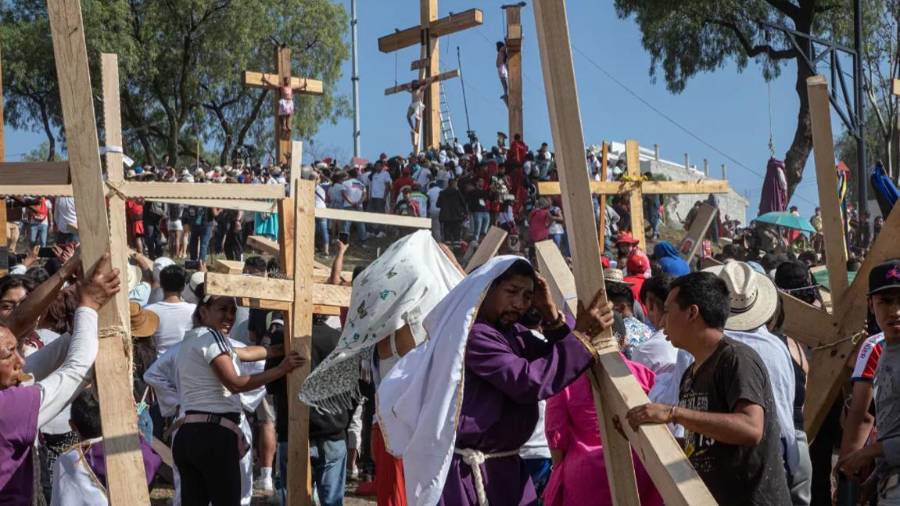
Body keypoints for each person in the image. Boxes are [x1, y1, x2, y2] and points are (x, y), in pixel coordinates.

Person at [377, 257, 616, 505]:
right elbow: (529, 381)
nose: (519, 304)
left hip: (506, 470)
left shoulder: (513, 334)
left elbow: (552, 356)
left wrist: (551, 315)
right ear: (486, 289)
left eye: (527, 296)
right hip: (470, 475)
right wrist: (582, 335)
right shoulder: (474, 335)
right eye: (511, 291)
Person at [626, 272, 792, 505]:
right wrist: (641, 434)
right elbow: (701, 448)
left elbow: (751, 428)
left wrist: (673, 413)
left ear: (692, 313)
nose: (662, 320)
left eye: (668, 310)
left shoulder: (736, 360)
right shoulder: (690, 375)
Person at [0, 253, 119, 503]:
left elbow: (18, 328)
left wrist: (69, 276)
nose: (20, 361)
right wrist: (88, 307)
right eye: (10, 354)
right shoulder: (8, 408)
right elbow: (76, 370)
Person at [171, 289, 303, 505]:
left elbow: (249, 353)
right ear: (203, 312)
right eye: (222, 309)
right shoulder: (211, 337)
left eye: (233, 311)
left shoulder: (194, 338)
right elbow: (235, 383)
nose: (229, 316)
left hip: (188, 435)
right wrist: (281, 369)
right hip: (213, 436)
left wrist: (281, 349)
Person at [544, 357, 661, 506]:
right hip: (636, 470)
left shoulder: (565, 382)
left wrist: (557, 467)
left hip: (585, 475)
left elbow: (556, 436)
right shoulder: (642, 374)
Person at [838, 259, 900, 504]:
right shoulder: (883, 349)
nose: (895, 310)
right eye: (885, 301)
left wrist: (870, 452)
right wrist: (874, 477)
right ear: (871, 305)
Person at [50, 390, 161, 505]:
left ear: (72, 425)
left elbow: (62, 500)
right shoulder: (132, 447)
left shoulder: (69, 461)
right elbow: (152, 464)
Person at [145, 265, 196, 358]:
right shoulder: (194, 310)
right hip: (184, 363)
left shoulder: (148, 310)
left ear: (161, 284)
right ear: (184, 286)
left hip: (157, 365)